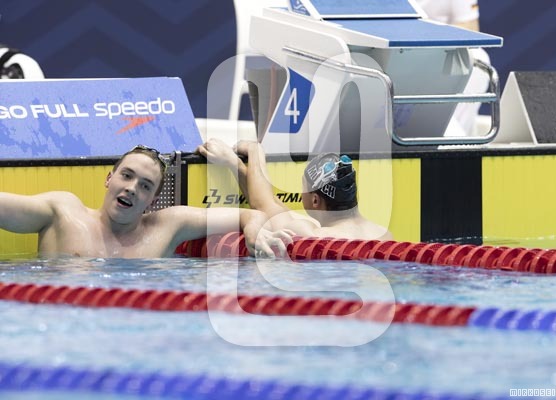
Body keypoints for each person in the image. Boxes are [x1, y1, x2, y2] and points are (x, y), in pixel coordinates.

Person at [0, 145, 291, 258]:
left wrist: (254, 232)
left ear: (153, 200)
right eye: (126, 176)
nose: (131, 189)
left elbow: (250, 215)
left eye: (145, 186)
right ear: (109, 179)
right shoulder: (63, 212)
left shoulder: (168, 225)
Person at [197, 139, 393, 241]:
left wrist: (254, 150)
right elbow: (275, 207)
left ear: (315, 200)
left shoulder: (313, 235)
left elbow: (264, 205)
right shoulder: (384, 235)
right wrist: (239, 167)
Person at [414, 0, 491, 137]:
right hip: (392, 52)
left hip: (441, 53)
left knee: (478, 58)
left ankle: (455, 142)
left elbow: (470, 27)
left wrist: (430, 42)